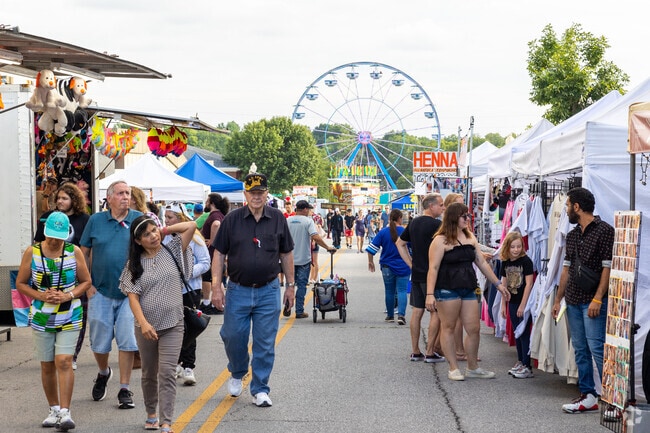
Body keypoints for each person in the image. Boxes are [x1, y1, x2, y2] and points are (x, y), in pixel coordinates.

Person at [210, 173, 295, 408]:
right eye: (252, 192)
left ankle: (260, 388)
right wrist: (216, 287)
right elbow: (219, 254)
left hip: (268, 290)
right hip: (238, 290)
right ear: (245, 194)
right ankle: (237, 371)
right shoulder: (232, 220)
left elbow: (286, 253)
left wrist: (290, 286)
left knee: (265, 343)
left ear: (267, 193)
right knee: (232, 335)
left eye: (260, 192)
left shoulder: (278, 219)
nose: (256, 196)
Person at [120, 216, 197, 433]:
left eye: (154, 231)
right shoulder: (134, 264)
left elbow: (191, 226)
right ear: (137, 241)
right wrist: (143, 323)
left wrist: (165, 229)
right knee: (148, 372)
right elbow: (132, 297)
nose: (153, 236)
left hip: (174, 323)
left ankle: (166, 422)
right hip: (146, 327)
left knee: (167, 372)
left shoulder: (172, 249)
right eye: (146, 234)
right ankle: (151, 414)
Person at [16, 212, 92, 430]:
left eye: (59, 236)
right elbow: (21, 283)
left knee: (64, 361)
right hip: (42, 315)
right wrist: (41, 296)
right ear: (44, 232)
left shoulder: (73, 251)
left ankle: (66, 413)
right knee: (47, 364)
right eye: (51, 235)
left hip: (70, 312)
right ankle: (54, 409)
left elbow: (86, 281)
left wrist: (68, 295)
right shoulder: (32, 252)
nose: (54, 240)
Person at [426, 202, 509, 381]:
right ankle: (453, 367)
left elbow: (481, 262)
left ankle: (472, 366)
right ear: (454, 218)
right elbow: (432, 268)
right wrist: (430, 294)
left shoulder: (469, 237)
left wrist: (498, 285)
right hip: (446, 288)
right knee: (448, 327)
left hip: (468, 286)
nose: (468, 219)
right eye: (464, 216)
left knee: (474, 328)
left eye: (468, 216)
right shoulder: (440, 240)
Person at [80, 180, 142, 409]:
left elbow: (150, 249)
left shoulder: (138, 219)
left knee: (127, 341)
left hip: (130, 293)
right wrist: (87, 284)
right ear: (110, 198)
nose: (126, 196)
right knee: (99, 344)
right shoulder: (95, 220)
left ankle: (125, 388)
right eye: (121, 193)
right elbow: (83, 252)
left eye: (128, 192)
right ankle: (104, 372)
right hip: (100, 291)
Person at [552, 187, 614, 413]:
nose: (566, 209)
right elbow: (566, 269)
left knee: (597, 347)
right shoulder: (573, 234)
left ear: (577, 207)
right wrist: (559, 299)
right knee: (580, 348)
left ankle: (612, 399)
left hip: (593, 300)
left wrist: (598, 299)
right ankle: (588, 394)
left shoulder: (605, 231)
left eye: (568, 205)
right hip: (574, 299)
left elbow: (608, 268)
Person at [34, 183, 90, 370]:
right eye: (58, 198)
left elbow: (87, 247)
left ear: (74, 200)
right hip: (48, 273)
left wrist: (86, 276)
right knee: (47, 312)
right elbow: (38, 244)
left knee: (76, 315)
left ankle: (70, 356)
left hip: (73, 272)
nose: (60, 201)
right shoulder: (46, 218)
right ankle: (51, 356)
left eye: (65, 198)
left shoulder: (83, 219)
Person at [163, 203, 211, 386]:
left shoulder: (195, 239)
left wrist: (188, 272)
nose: (167, 221)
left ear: (180, 219)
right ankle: (174, 363)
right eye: (165, 217)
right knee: (172, 327)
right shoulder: (165, 239)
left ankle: (189, 366)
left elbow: (205, 262)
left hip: (189, 289)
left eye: (170, 217)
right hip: (169, 289)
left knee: (189, 326)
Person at [396, 193, 446, 363]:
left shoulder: (414, 222)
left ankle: (415, 350)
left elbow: (400, 244)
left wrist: (410, 263)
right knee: (436, 312)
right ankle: (430, 351)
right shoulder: (438, 225)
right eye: (440, 205)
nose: (443, 208)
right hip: (432, 274)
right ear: (431, 206)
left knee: (417, 311)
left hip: (416, 272)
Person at [287, 200, 336, 318]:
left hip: (288, 259)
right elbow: (315, 237)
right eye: (308, 209)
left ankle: (288, 305)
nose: (309, 211)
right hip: (304, 259)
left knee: (290, 284)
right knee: (302, 285)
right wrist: (327, 247)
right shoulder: (308, 222)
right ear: (304, 209)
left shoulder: (287, 221)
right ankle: (299, 311)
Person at [499, 231, 535, 379]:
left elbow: (529, 284)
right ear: (507, 247)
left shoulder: (526, 261)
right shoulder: (505, 262)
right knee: (517, 333)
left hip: (523, 303)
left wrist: (523, 305)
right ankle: (521, 360)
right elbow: (504, 284)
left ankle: (527, 365)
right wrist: (503, 305)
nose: (516, 249)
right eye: (513, 246)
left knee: (524, 332)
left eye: (518, 246)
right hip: (512, 302)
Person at [367, 209, 411, 325]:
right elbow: (412, 249)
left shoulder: (383, 232)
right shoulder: (406, 232)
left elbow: (371, 249)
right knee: (402, 291)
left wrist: (370, 262)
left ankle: (390, 316)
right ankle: (401, 315)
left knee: (389, 291)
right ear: (400, 218)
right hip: (403, 266)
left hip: (387, 266)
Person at [199, 193, 230, 315]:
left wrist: (212, 240)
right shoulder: (220, 215)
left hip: (212, 254)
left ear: (212, 203)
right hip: (215, 253)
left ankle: (214, 304)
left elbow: (216, 224)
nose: (206, 203)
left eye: (207, 201)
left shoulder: (215, 216)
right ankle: (219, 304)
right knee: (217, 280)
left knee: (211, 279)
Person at [310, 211, 325, 283]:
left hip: (314, 245)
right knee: (312, 262)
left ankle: (314, 277)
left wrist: (313, 242)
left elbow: (315, 236)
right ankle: (312, 277)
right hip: (313, 245)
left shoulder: (315, 226)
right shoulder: (315, 225)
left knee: (314, 262)